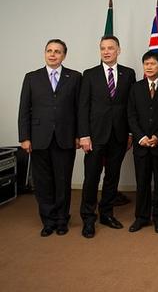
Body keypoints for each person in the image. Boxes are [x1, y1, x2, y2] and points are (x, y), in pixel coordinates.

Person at [18, 39, 81, 237]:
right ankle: (48, 220)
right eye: (49, 51)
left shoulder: (75, 77)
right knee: (43, 182)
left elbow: (79, 110)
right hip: (38, 138)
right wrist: (24, 137)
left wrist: (79, 135)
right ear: (45, 53)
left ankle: (62, 219)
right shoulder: (31, 77)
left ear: (64, 55)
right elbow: (24, 110)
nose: (53, 54)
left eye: (57, 51)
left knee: (62, 181)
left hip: (65, 136)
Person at [79, 35, 136, 238]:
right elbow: (83, 107)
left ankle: (106, 214)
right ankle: (88, 218)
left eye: (110, 48)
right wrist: (84, 135)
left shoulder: (128, 74)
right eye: (103, 48)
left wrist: (130, 132)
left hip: (119, 135)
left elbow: (131, 106)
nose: (106, 51)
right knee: (92, 178)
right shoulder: (90, 74)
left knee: (112, 177)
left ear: (118, 50)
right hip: (95, 136)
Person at [127, 50, 158, 234]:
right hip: (141, 144)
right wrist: (141, 137)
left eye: (153, 64)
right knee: (142, 182)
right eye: (146, 64)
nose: (149, 67)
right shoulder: (136, 87)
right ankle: (141, 217)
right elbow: (131, 115)